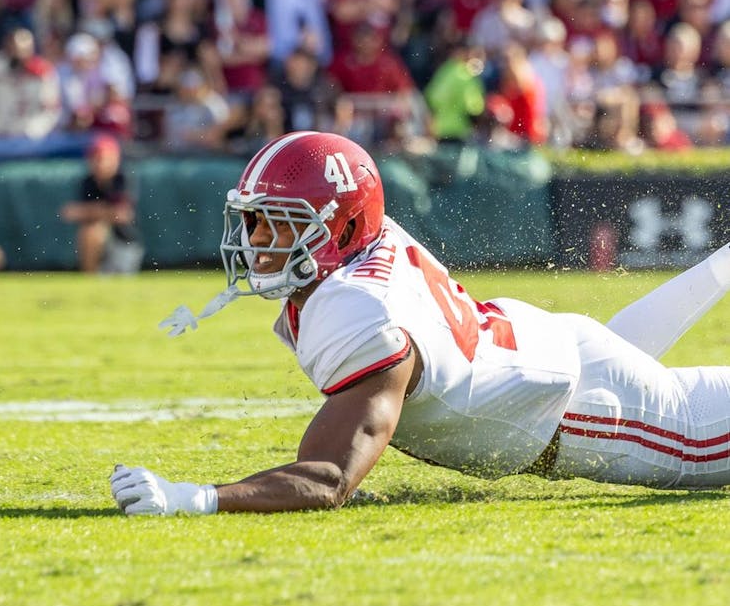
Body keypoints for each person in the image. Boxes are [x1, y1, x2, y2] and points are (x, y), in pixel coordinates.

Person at [113, 131, 730, 515]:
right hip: (561, 351)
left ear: (343, 228)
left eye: (279, 222)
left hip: (585, 408)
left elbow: (328, 477)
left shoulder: (362, 311)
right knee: (638, 366)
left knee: (681, 409)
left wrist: (197, 498)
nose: (256, 243)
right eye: (252, 222)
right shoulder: (362, 251)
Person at [60, 134, 142, 275]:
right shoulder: (88, 182)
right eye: (95, 159)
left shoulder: (123, 179)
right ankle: (89, 277)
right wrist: (101, 211)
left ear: (115, 159)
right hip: (102, 244)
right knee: (90, 231)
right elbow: (68, 213)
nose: (99, 164)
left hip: (125, 243)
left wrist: (88, 211)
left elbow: (122, 215)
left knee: (95, 231)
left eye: (103, 159)